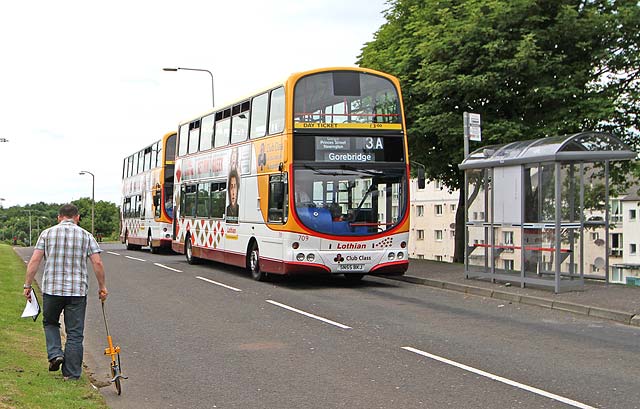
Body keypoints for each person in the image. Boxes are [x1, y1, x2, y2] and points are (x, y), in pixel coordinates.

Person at [23, 204, 108, 381]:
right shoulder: (86, 235)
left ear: (59, 217)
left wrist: (27, 285)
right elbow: (97, 263)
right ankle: (71, 374)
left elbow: (35, 261)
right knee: (75, 333)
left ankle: (55, 354)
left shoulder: (47, 234)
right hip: (77, 292)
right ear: (77, 217)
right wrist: (102, 287)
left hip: (52, 290)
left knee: (50, 323)